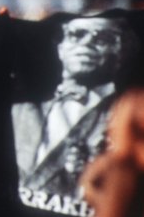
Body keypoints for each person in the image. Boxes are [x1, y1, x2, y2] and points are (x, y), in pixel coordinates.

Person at [11, 16, 136, 201]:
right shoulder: (21, 111)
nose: (87, 43)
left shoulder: (128, 119)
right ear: (61, 48)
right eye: (77, 35)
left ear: (121, 53)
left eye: (102, 38)